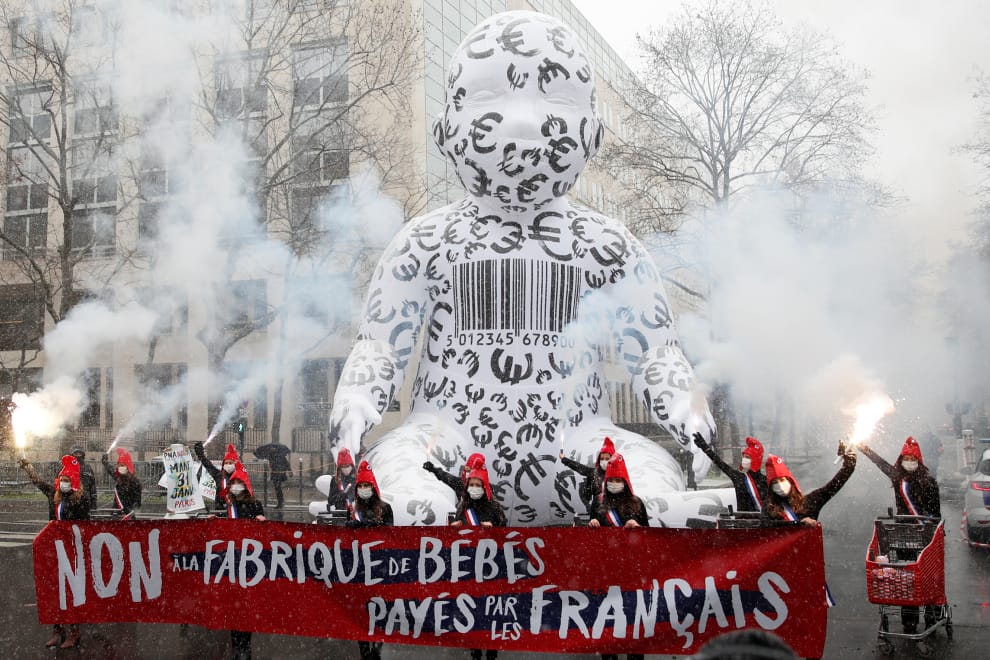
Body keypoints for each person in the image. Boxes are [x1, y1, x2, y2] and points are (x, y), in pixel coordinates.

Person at [327, 10, 725, 527]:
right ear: (445, 131)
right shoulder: (424, 243)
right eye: (488, 96)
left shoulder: (607, 245)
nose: (522, 121)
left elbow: (655, 353)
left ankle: (639, 519)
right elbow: (380, 347)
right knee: (405, 482)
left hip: (582, 448)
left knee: (645, 479)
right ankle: (408, 515)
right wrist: (355, 404)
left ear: (593, 135)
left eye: (554, 97)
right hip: (443, 443)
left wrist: (688, 415)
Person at [860, 436, 941, 633]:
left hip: (925, 537)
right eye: (906, 459)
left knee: (928, 577)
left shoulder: (929, 482)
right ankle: (910, 620)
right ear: (901, 460)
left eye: (913, 459)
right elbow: (880, 463)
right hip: (904, 536)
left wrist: (931, 528)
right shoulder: (898, 478)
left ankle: (931, 616)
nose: (909, 463)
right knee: (908, 578)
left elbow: (936, 513)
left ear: (919, 461)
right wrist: (864, 448)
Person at [19, 455, 90, 648]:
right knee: (54, 590)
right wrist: (28, 467)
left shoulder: (80, 501)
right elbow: (38, 482)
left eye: (67, 480)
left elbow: (85, 526)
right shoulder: (54, 495)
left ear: (73, 482)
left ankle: (74, 631)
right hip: (54, 551)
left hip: (72, 551)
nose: (63, 483)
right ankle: (57, 630)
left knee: (72, 591)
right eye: (62, 479)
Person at [587, 454, 647, 660]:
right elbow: (589, 538)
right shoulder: (598, 503)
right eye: (611, 480)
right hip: (606, 568)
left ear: (625, 481)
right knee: (608, 616)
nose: (614, 483)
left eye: (617, 480)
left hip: (632, 569)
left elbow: (649, 535)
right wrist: (592, 525)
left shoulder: (637, 503)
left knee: (633, 616)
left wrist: (637, 527)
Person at [209, 463, 264, 659]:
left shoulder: (255, 504)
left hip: (249, 561)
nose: (235, 487)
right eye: (233, 484)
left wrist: (262, 522)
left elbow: (263, 533)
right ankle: (236, 646)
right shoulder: (228, 505)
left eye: (238, 483)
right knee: (233, 606)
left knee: (246, 606)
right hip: (231, 560)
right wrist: (214, 522)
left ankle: (245, 646)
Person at [450, 466, 504, 659]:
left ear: (484, 486)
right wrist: (454, 527)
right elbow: (457, 536)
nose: (474, 488)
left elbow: (506, 533)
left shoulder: (494, 507)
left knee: (490, 609)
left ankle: (491, 650)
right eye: (471, 485)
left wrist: (494, 527)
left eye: (477, 485)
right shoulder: (463, 507)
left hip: (491, 567)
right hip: (470, 564)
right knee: (472, 608)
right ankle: (475, 649)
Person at [346, 460, 392, 660]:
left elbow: (392, 536)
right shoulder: (353, 509)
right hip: (359, 567)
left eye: (367, 485)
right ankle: (364, 649)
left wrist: (372, 526)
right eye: (361, 486)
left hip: (379, 567)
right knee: (361, 613)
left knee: (379, 610)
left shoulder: (386, 508)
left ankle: (378, 647)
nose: (364, 489)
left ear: (373, 487)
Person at [763, 445, 856, 526]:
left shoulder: (810, 502)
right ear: (770, 487)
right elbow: (764, 529)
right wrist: (799, 524)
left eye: (782, 480)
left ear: (790, 481)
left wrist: (849, 465)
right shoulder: (769, 510)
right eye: (775, 482)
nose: (779, 485)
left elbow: (833, 485)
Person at [694, 433, 768, 513]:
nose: (744, 459)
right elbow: (720, 463)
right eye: (744, 456)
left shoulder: (766, 481)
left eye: (747, 457)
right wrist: (706, 448)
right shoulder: (739, 477)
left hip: (760, 520)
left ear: (755, 460)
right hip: (742, 520)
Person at [560, 437, 615, 517]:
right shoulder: (594, 473)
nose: (604, 461)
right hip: (597, 513)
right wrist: (564, 459)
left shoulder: (618, 475)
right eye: (602, 459)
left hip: (613, 513)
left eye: (607, 459)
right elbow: (579, 467)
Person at [194, 442, 240, 511]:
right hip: (220, 511)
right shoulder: (219, 475)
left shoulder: (239, 478)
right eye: (226, 463)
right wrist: (200, 454)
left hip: (235, 511)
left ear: (234, 464)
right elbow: (208, 465)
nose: (228, 465)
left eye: (230, 463)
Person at [101, 447, 142, 517]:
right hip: (116, 512)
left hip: (127, 514)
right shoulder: (119, 477)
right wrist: (105, 461)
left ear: (128, 466)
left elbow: (137, 502)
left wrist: (130, 509)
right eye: (119, 465)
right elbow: (110, 469)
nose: (120, 467)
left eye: (122, 465)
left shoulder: (135, 482)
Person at [70, 446, 99, 511]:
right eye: (76, 453)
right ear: (72, 455)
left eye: (79, 453)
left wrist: (93, 500)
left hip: (85, 498)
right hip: (71, 498)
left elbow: (92, 485)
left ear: (83, 455)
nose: (78, 455)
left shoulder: (87, 467)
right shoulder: (68, 467)